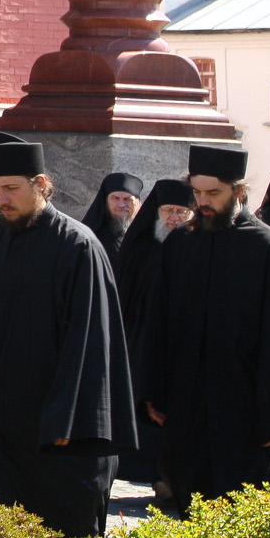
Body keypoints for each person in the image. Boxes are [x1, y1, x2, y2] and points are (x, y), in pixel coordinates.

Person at [0, 142, 133, 537]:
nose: (2, 199)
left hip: (51, 429)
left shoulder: (78, 246)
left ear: (41, 184)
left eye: (12, 188)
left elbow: (90, 343)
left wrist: (66, 418)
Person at [133, 144, 270, 505]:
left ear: (239, 191)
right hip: (188, 412)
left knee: (243, 520)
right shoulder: (181, 244)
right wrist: (152, 391)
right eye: (197, 192)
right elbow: (158, 323)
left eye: (213, 192)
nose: (203, 202)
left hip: (249, 418)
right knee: (188, 518)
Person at [112, 177, 195, 487]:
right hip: (138, 341)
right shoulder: (140, 249)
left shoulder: (194, 249)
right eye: (168, 210)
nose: (173, 218)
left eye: (181, 212)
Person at [77, 172, 143, 263]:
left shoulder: (147, 237)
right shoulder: (90, 240)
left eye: (128, 199)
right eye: (115, 198)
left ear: (138, 204)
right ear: (106, 202)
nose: (121, 205)